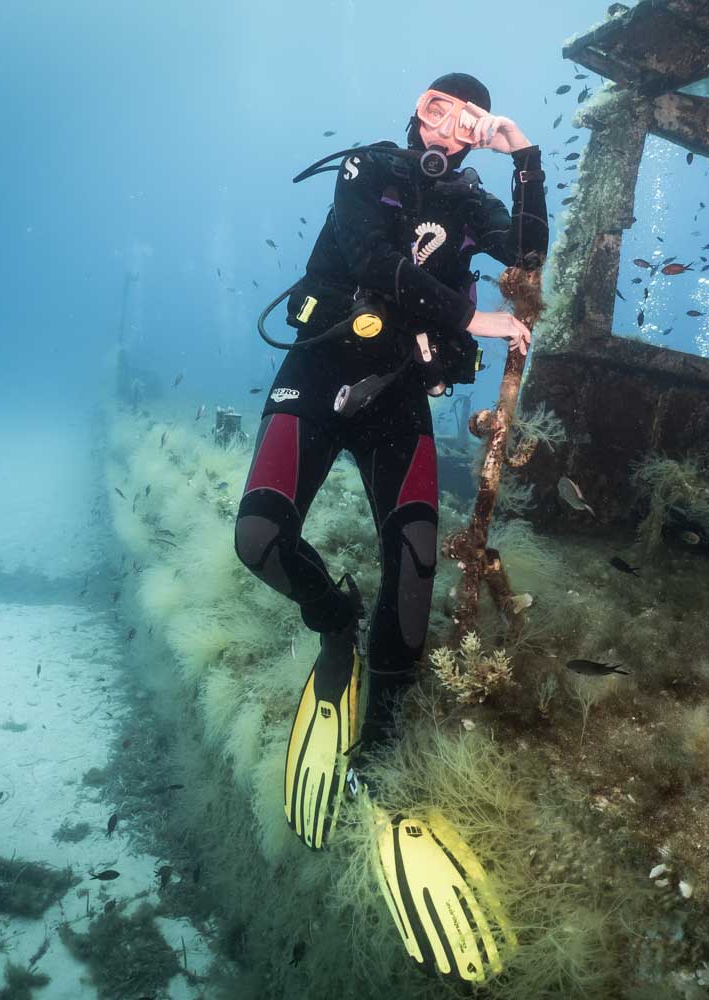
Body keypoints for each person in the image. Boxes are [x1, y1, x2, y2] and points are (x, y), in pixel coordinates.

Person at [233, 71, 546, 889]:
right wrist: (468, 317)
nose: (447, 126)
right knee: (259, 538)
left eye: (467, 118)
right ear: (416, 111)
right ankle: (334, 624)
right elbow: (369, 256)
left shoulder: (476, 205)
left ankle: (380, 755)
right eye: (436, 107)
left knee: (413, 570)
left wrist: (525, 157)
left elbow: (530, 257)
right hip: (319, 367)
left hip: (397, 397)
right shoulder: (368, 169)